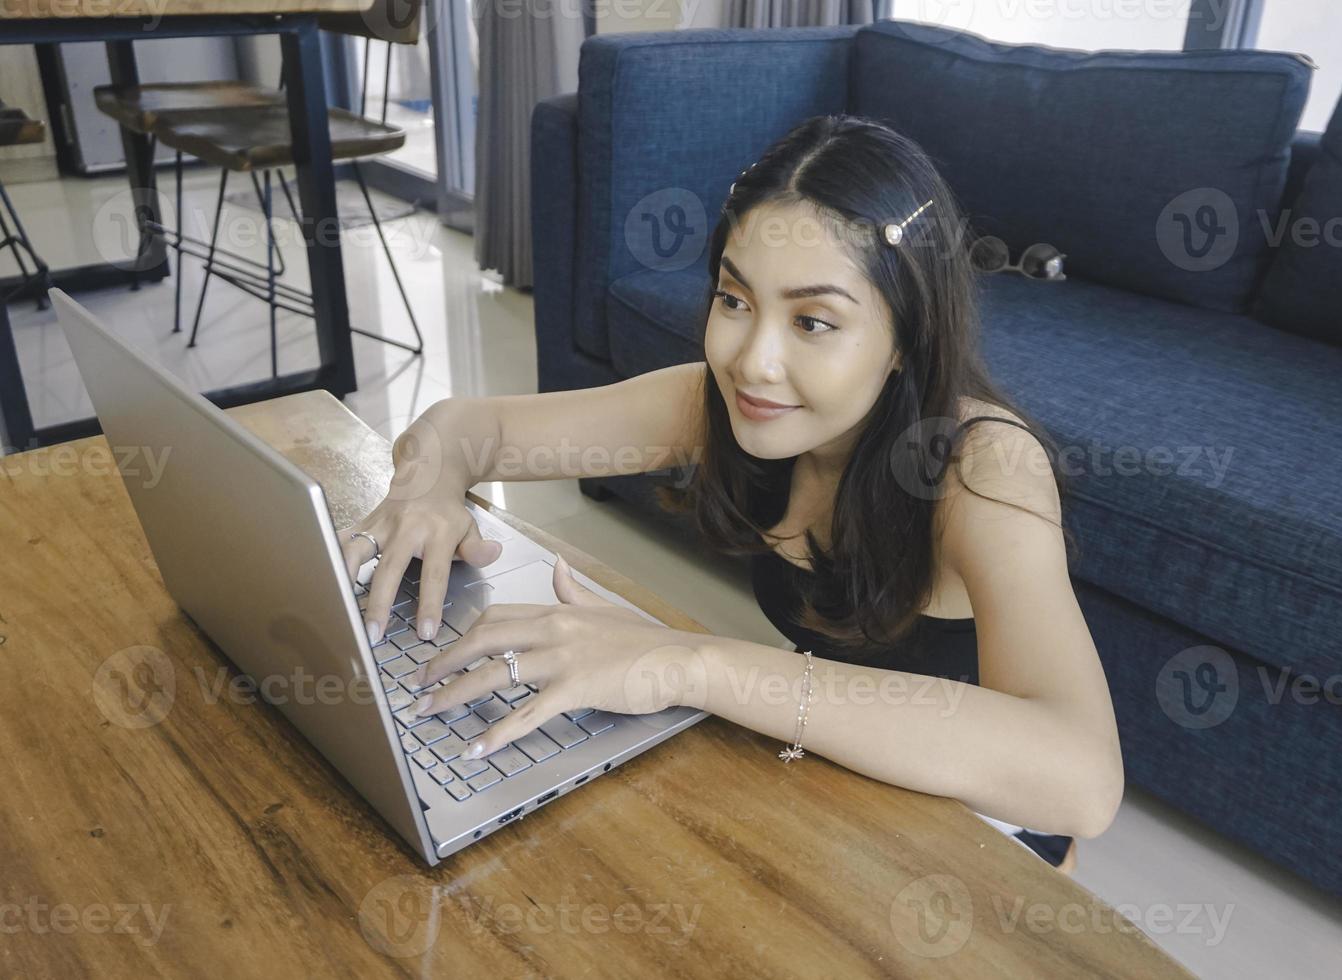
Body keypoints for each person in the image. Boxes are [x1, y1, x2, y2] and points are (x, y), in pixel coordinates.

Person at [340, 114, 1121, 875]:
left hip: (978, 826)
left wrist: (693, 665)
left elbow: (1081, 781)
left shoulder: (981, 468)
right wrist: (427, 486)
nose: (753, 361)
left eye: (814, 321)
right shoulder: (722, 404)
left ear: (906, 339)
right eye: (735, 300)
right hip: (829, 773)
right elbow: (472, 428)